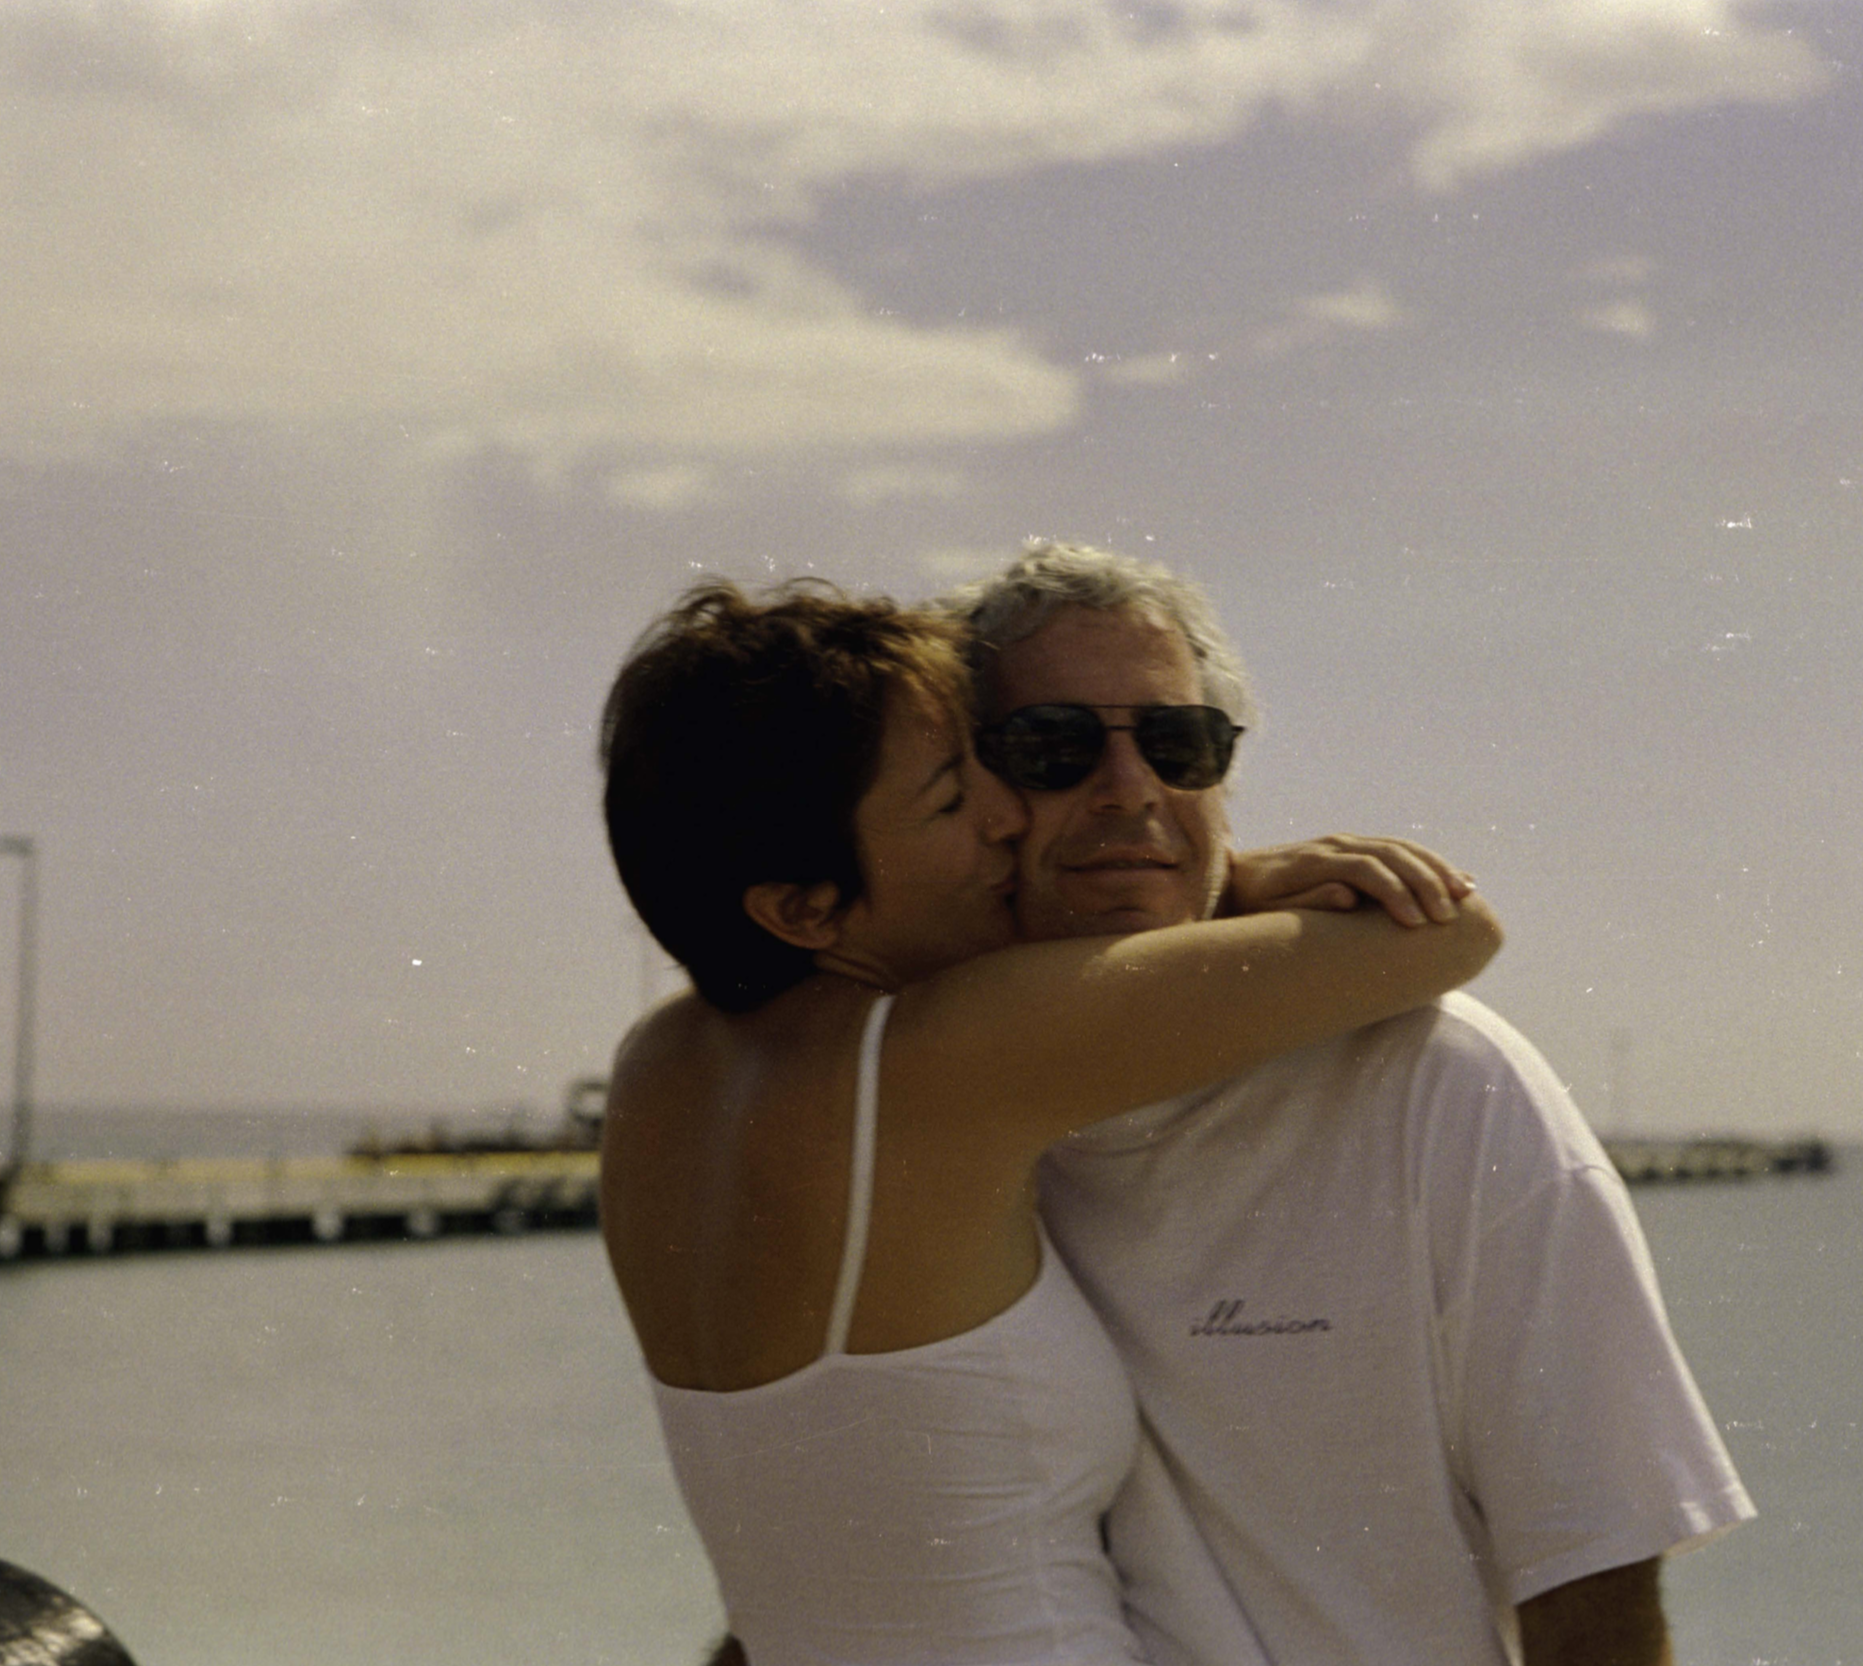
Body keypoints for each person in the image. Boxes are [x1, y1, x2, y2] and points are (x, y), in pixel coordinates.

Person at [594, 579, 1501, 1665]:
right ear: (801, 908)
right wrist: (1234, 878)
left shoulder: (657, 1071)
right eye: (948, 799)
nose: (1007, 815)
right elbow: (1445, 935)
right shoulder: (941, 1055)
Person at [946, 542, 1756, 1666]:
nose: (1131, 788)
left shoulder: (1442, 1085)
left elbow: (1595, 1584)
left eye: (1179, 746)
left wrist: (1215, 888)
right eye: (1053, 747)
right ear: (964, 798)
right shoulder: (912, 1113)